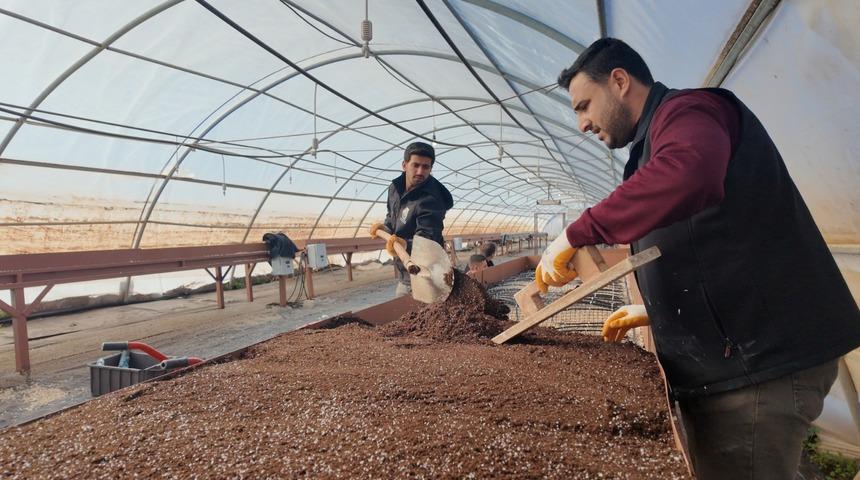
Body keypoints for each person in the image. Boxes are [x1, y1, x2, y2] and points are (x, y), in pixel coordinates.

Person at [538, 37, 860, 479]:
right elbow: (707, 239)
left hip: (757, 366)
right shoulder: (652, 143)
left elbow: (692, 173)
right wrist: (657, 310)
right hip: (739, 357)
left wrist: (578, 230)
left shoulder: (689, 112)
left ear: (618, 81)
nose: (582, 124)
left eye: (584, 105)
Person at [369, 142, 453, 298]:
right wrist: (385, 228)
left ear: (430, 169)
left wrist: (404, 244)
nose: (420, 171)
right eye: (416, 165)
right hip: (405, 273)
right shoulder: (394, 188)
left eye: (426, 167)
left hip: (427, 276)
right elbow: (392, 217)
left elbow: (427, 241)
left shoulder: (432, 199)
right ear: (404, 165)